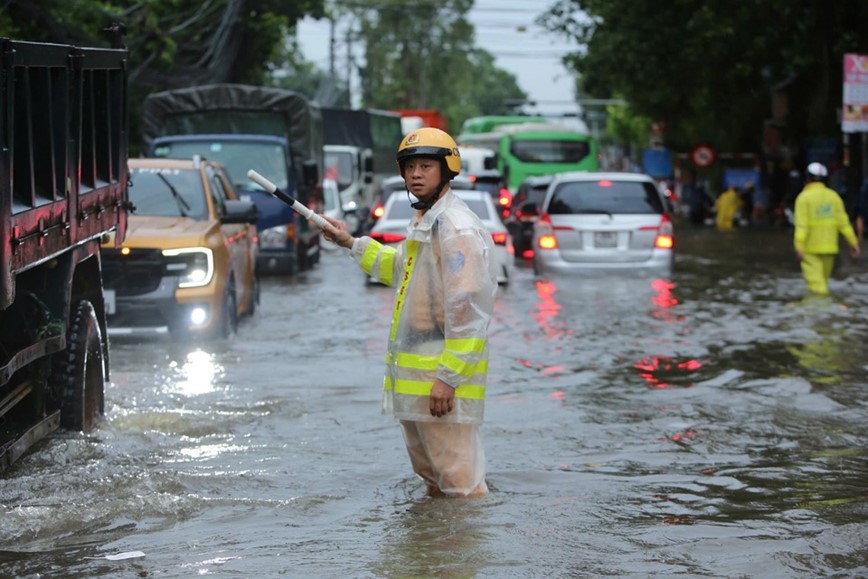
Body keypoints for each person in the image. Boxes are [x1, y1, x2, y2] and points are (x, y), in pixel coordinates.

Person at [319, 127, 498, 498]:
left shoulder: (455, 228)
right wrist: (350, 242)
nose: (416, 174)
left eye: (426, 166)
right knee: (433, 478)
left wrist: (448, 378)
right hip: (418, 380)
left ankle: (461, 555)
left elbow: (467, 308)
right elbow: (402, 270)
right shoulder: (427, 221)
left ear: (447, 170)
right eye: (410, 167)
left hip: (440, 381)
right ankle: (433, 550)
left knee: (460, 484)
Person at [792, 162, 860, 295]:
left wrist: (799, 247)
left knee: (818, 290)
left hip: (810, 251)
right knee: (823, 284)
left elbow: (801, 226)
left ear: (807, 178)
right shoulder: (834, 197)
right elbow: (844, 224)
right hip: (829, 249)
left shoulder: (803, 198)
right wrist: (854, 243)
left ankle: (822, 312)